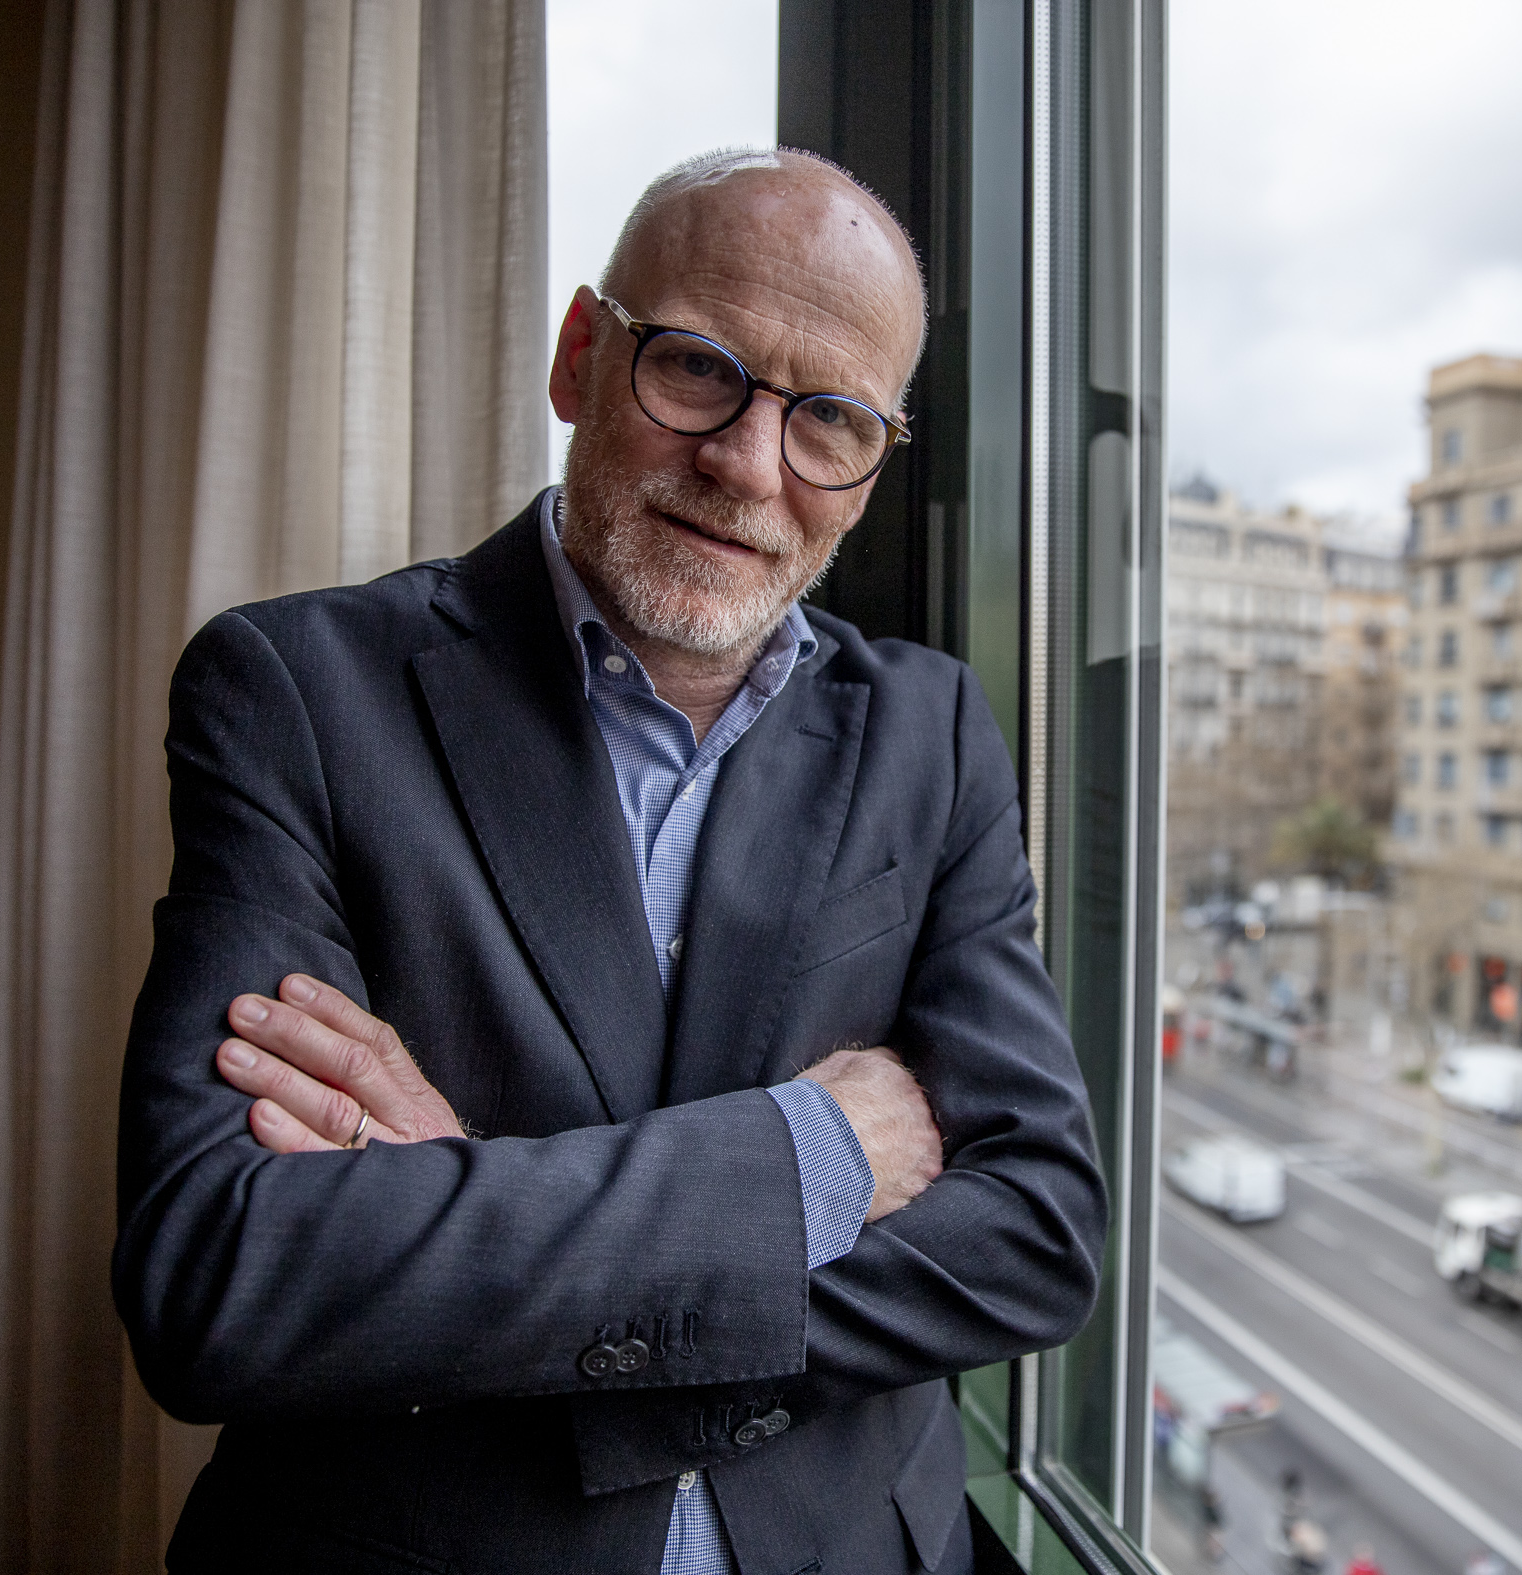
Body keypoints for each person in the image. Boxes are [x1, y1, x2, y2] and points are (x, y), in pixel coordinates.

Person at [112, 148, 1108, 1574]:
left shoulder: (933, 732)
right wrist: (811, 1153)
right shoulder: (295, 693)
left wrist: (481, 1245)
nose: (748, 465)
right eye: (698, 368)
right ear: (583, 355)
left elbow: (1038, 1234)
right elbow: (220, 1276)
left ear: (873, 467)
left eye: (830, 419)